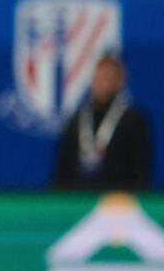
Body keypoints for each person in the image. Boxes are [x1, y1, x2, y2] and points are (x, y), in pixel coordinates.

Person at [53, 54, 153, 191]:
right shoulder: (77, 119)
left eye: (108, 78)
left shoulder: (133, 120)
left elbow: (141, 168)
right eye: (99, 78)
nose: (102, 84)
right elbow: (63, 167)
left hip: (119, 197)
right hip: (79, 196)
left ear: (120, 82)